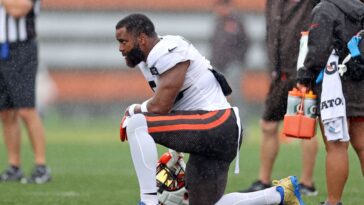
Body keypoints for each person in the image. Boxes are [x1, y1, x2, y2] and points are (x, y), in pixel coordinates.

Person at [116, 13, 305, 205]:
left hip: (216, 122)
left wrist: (134, 109)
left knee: (137, 123)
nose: (121, 48)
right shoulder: (150, 60)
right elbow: (178, 105)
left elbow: (161, 106)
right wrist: (176, 149)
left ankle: (148, 201)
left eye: (124, 41)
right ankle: (281, 194)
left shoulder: (167, 49)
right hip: (218, 130)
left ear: (141, 38)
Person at [241, 0, 320, 196]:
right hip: (279, 73)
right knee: (267, 125)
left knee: (306, 127)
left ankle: (307, 184)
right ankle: (263, 180)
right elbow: (271, 31)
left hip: (303, 72)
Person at [297, 0, 364, 204]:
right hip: (360, 83)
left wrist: (304, 76)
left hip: (334, 86)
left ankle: (333, 201)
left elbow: (318, 51)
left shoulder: (325, 9)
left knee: (336, 146)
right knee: (362, 144)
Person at [0, 0, 51, 184]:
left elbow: (19, 9)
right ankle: (14, 166)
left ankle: (41, 166)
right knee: (5, 112)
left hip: (20, 49)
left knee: (26, 109)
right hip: (2, 50)